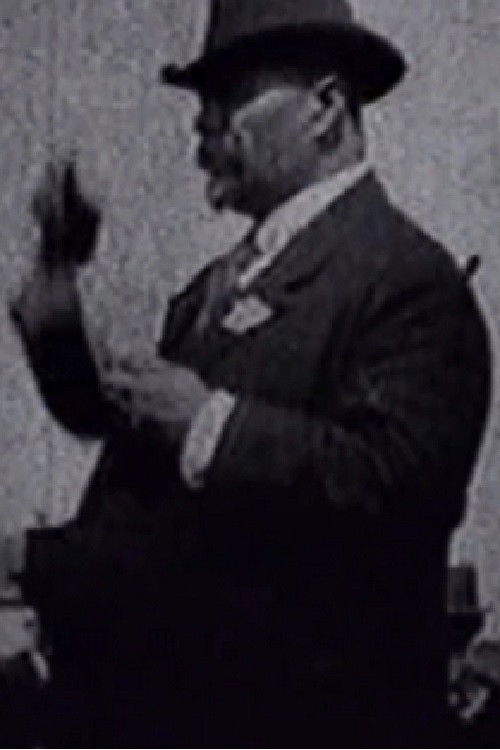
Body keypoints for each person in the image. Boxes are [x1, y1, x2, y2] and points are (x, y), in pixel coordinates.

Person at [4, 0, 491, 744]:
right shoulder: (216, 286)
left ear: (325, 107)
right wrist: (56, 282)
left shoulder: (409, 281)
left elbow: (392, 494)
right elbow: (124, 433)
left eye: (229, 95)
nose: (202, 123)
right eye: (201, 101)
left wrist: (207, 422)